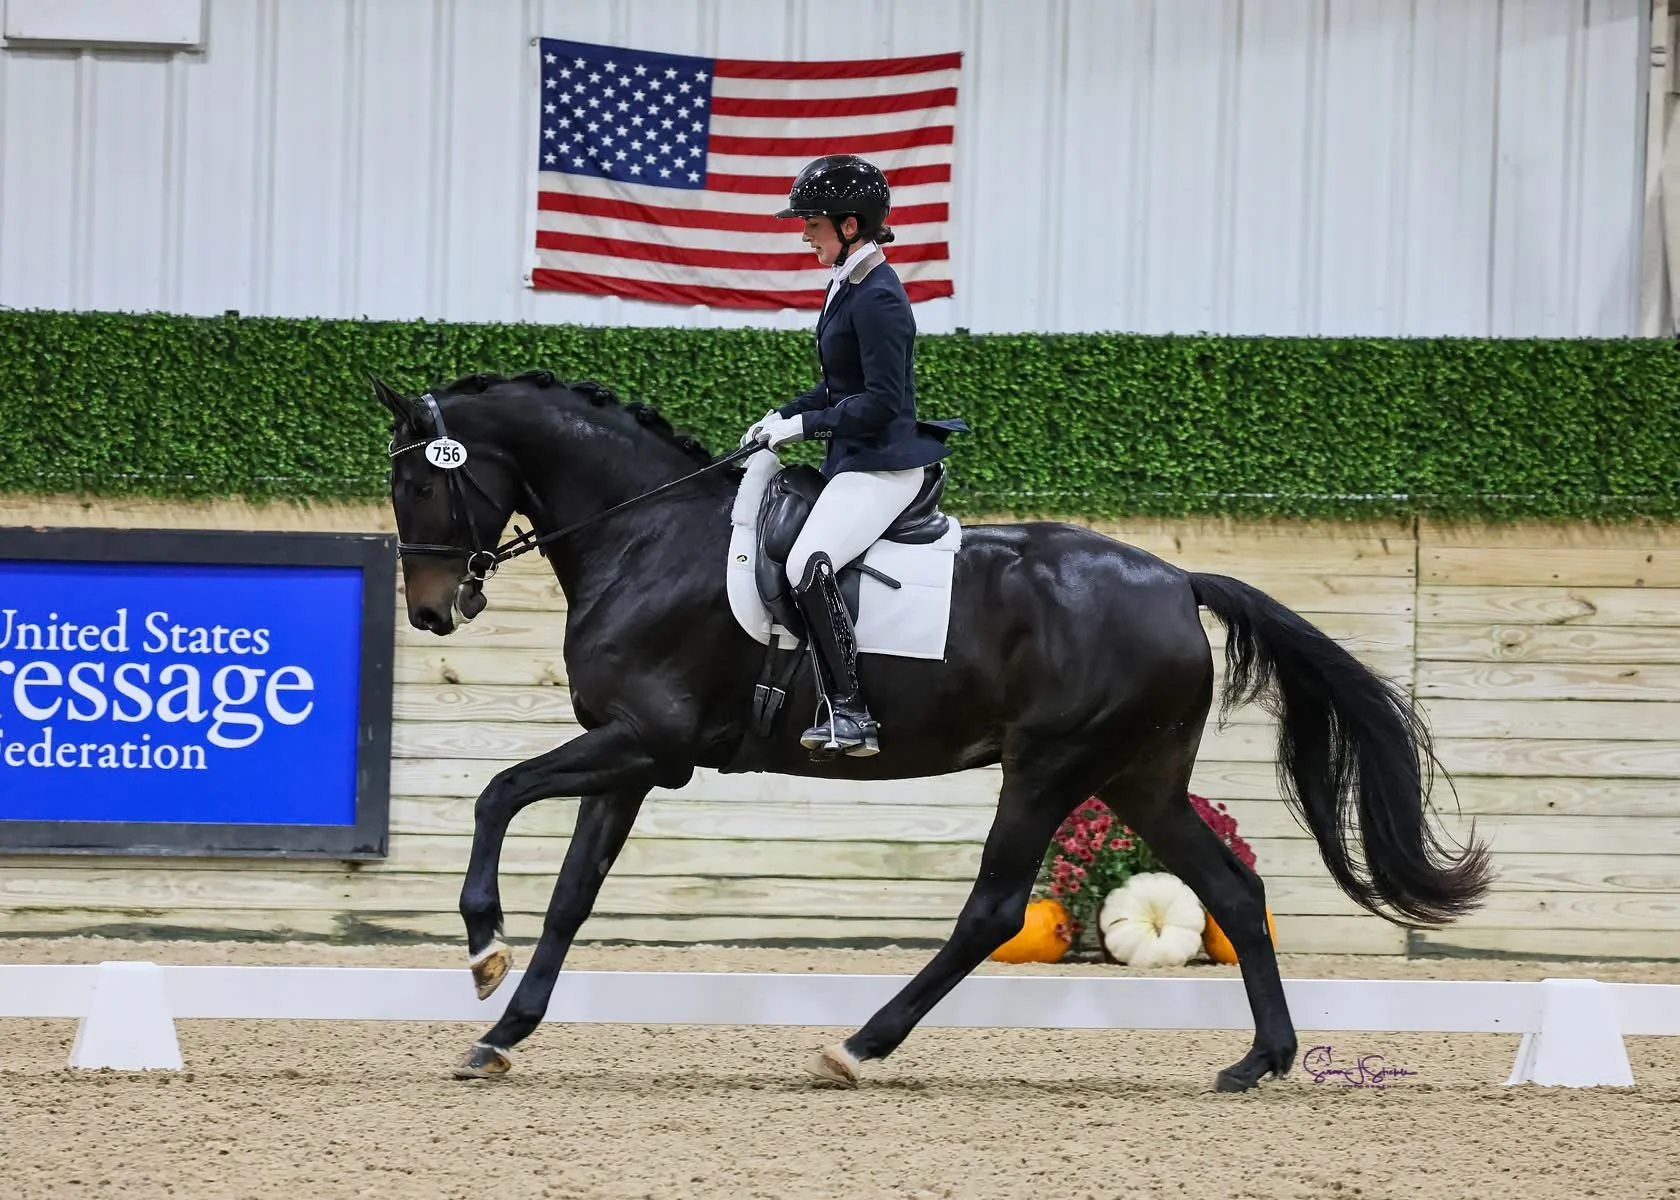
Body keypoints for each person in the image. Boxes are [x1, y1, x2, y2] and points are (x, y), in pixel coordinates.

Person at [740, 153, 967, 758]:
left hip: (883, 463)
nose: (804, 232)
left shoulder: (879, 298)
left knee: (808, 564)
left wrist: (807, 426)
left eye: (812, 222)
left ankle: (851, 711)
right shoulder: (849, 286)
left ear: (849, 225)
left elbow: (882, 403)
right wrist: (782, 416)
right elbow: (839, 387)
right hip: (854, 456)